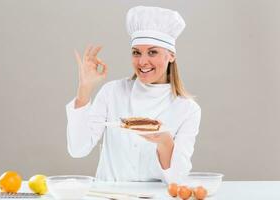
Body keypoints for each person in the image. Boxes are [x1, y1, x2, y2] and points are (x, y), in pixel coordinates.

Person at [66, 6, 201, 184]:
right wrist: (84, 89)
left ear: (171, 55)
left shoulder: (188, 109)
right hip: (108, 194)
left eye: (152, 52)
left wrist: (165, 143)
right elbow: (78, 149)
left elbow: (177, 179)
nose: (143, 61)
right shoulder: (112, 92)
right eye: (136, 52)